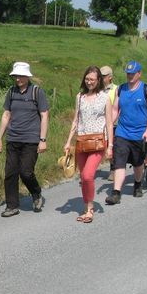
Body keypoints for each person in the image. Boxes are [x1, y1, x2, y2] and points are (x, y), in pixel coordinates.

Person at [0, 62, 49, 217]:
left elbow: (44, 115)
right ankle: (12, 206)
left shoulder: (36, 92)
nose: (17, 79)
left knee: (26, 172)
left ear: (27, 76)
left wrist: (43, 139)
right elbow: (6, 115)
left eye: (20, 76)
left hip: (31, 139)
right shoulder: (11, 92)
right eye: (15, 76)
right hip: (13, 138)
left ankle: (36, 192)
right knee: (10, 173)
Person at [63, 66, 113, 223]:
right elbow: (76, 120)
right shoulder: (80, 97)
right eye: (87, 79)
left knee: (88, 175)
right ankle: (86, 207)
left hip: (98, 141)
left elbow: (110, 123)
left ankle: (90, 209)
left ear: (98, 80)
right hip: (82, 142)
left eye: (92, 79)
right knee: (83, 178)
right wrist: (68, 141)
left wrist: (110, 145)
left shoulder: (105, 97)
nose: (89, 82)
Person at [105, 61, 147, 205]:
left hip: (139, 134)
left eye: (132, 73)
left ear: (139, 74)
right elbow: (115, 109)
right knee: (119, 163)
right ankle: (116, 193)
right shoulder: (120, 90)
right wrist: (110, 123)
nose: (130, 76)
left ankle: (138, 184)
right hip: (122, 132)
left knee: (138, 163)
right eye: (128, 73)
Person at [101, 65, 118, 181]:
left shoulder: (116, 89)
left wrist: (112, 121)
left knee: (112, 147)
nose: (101, 78)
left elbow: (118, 107)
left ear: (110, 77)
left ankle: (113, 169)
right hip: (99, 122)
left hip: (113, 122)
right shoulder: (97, 90)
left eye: (103, 76)